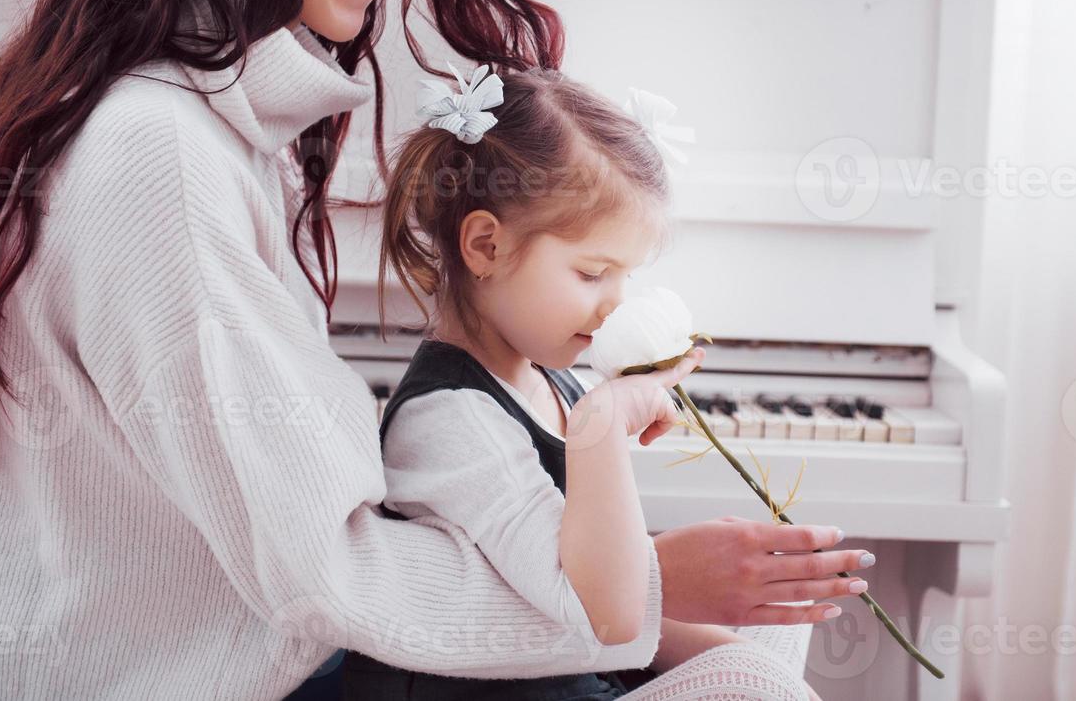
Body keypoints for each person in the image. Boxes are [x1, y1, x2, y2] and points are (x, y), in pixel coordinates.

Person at [0, 0, 874, 698]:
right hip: (178, 673)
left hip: (277, 645)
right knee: (746, 682)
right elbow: (316, 573)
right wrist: (643, 588)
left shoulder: (215, 127)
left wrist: (640, 594)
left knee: (755, 645)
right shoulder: (161, 154)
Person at [334, 65, 844, 699]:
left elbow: (632, 611)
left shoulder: (550, 378)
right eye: (592, 273)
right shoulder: (450, 419)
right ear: (486, 246)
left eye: (625, 277)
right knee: (751, 677)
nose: (614, 307)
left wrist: (751, 661)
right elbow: (610, 613)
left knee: (777, 617)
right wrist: (601, 427)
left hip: (581, 676)